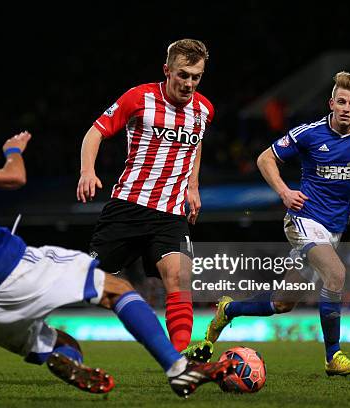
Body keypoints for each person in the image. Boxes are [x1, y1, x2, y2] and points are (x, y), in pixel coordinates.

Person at [0, 105, 234, 398]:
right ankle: (177, 369)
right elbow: (13, 178)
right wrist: (13, 151)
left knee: (63, 344)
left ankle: (64, 361)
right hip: (8, 267)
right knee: (117, 289)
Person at [188, 72, 350, 376]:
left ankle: (228, 309)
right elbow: (265, 158)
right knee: (336, 273)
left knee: (282, 302)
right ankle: (333, 357)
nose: (346, 107)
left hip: (334, 228)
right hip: (304, 219)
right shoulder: (309, 133)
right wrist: (284, 191)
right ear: (331, 103)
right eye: (341, 101)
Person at [77, 39, 214, 354]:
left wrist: (192, 186)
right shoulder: (139, 98)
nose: (190, 83)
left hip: (171, 213)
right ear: (167, 71)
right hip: (128, 207)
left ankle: (178, 360)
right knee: (89, 285)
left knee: (179, 278)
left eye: (196, 77)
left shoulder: (204, 109)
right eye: (183, 75)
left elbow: (197, 142)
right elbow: (95, 131)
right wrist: (87, 171)